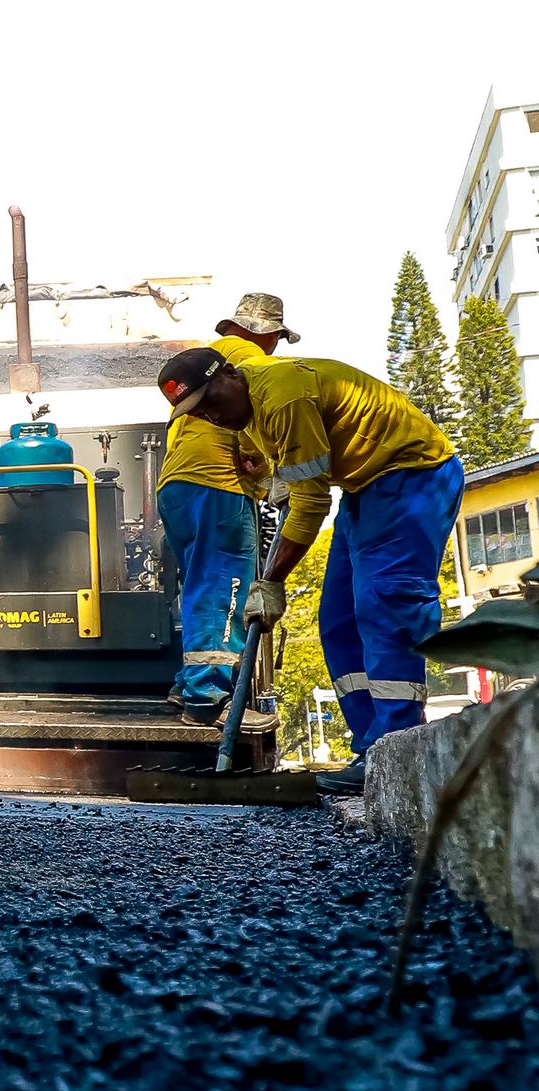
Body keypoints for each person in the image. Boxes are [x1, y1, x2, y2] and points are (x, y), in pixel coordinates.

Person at [157, 343, 461, 795]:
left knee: (387, 604)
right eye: (196, 414)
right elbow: (290, 465)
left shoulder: (283, 396)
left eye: (209, 403)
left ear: (229, 376)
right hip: (364, 486)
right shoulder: (247, 406)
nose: (210, 418)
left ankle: (401, 750)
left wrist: (271, 582)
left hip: (411, 476)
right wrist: (271, 469)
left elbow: (313, 503)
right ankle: (373, 750)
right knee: (338, 621)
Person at [154, 319, 280, 722]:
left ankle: (187, 683)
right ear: (265, 333)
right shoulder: (249, 362)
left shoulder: (195, 364)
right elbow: (249, 429)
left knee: (198, 587)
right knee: (224, 589)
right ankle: (207, 696)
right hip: (218, 485)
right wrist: (268, 478)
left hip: (175, 487)